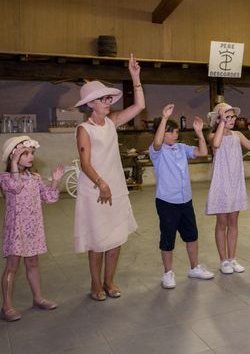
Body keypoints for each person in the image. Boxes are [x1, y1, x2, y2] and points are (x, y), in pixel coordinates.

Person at [74, 54, 145, 301]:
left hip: (116, 188)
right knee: (97, 239)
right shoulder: (84, 129)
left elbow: (139, 107)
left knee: (115, 238)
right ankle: (95, 284)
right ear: (91, 104)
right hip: (94, 190)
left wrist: (135, 76)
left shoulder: (112, 122)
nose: (108, 102)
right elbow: (85, 163)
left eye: (108, 98)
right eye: (104, 99)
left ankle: (109, 281)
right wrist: (101, 183)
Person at [149, 104, 214, 289]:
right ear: (163, 133)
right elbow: (157, 142)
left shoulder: (181, 147)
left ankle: (194, 268)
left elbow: (202, 152)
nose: (175, 135)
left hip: (186, 200)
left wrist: (200, 133)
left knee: (192, 236)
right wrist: (163, 118)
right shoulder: (157, 151)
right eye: (171, 132)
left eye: (176, 132)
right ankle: (168, 273)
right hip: (166, 201)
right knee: (168, 238)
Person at [0, 136, 64, 322]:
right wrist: (13, 163)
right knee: (12, 266)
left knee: (33, 263)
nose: (30, 157)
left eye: (32, 153)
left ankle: (37, 298)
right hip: (17, 228)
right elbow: (15, 186)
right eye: (25, 153)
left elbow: (50, 198)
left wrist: (54, 181)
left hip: (33, 227)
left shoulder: (34, 178)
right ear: (13, 156)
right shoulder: (5, 178)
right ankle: (7, 306)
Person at [206, 103, 250, 275]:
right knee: (222, 223)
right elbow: (216, 144)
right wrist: (222, 122)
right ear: (219, 119)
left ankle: (232, 258)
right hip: (221, 184)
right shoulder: (213, 135)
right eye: (227, 117)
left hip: (236, 183)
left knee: (233, 223)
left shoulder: (238, 135)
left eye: (232, 117)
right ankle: (223, 260)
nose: (231, 120)